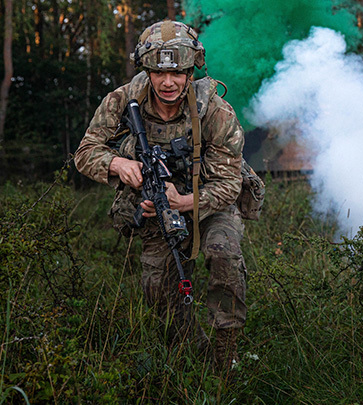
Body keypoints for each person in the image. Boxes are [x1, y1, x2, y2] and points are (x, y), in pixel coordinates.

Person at [74, 20, 246, 370]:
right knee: (158, 292)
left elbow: (230, 184)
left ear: (190, 69)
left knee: (224, 257)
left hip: (210, 202)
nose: (168, 83)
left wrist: (185, 202)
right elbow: (85, 152)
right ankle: (195, 357)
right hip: (155, 207)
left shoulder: (215, 111)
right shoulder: (123, 100)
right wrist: (118, 164)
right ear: (146, 69)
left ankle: (226, 357)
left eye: (178, 73)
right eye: (158, 73)